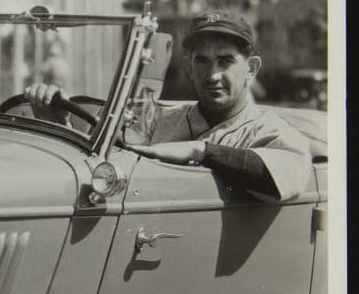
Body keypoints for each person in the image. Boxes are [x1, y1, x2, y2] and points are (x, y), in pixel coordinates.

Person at [24, 10, 312, 200]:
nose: (212, 75)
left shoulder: (270, 132)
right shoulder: (157, 119)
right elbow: (106, 168)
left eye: (225, 61)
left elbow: (287, 175)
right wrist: (56, 120)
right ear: (189, 67)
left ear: (251, 68)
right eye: (202, 61)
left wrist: (200, 151)